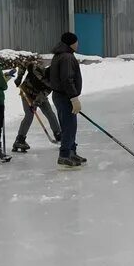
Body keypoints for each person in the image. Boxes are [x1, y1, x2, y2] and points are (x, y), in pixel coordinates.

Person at [50, 32, 85, 169]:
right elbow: (67, 79)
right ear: (71, 43)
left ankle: (71, 151)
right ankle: (64, 155)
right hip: (64, 96)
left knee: (70, 125)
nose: (78, 44)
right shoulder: (66, 57)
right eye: (76, 42)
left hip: (62, 96)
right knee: (68, 126)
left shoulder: (61, 54)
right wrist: (73, 97)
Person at [12, 58, 61, 152]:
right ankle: (20, 139)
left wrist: (36, 103)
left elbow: (44, 93)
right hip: (27, 92)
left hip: (39, 95)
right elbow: (23, 64)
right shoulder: (35, 68)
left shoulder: (52, 83)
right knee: (29, 115)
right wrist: (19, 77)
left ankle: (58, 135)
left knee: (50, 113)